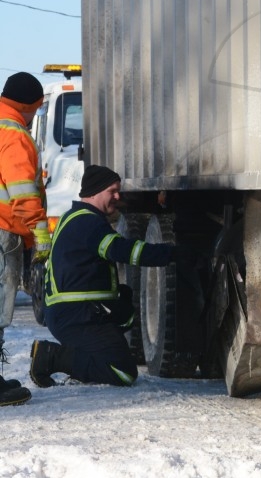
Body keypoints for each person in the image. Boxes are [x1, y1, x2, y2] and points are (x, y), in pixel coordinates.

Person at [30, 165, 174, 387]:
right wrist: (171, 253)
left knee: (123, 312)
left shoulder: (76, 217)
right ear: (95, 191)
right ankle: (51, 357)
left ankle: (77, 357)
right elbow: (123, 251)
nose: (117, 197)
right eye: (112, 191)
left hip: (73, 313)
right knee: (122, 372)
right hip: (76, 316)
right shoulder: (87, 222)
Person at [0, 72, 51, 406]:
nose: (34, 116)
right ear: (26, 105)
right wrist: (40, 233)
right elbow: (22, 191)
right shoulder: (15, 134)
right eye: (35, 109)